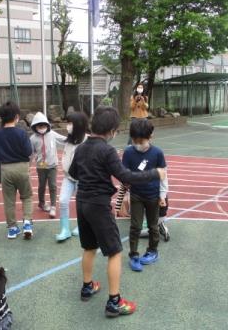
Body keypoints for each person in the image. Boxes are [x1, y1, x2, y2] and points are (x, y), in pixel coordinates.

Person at [68, 106, 165, 317]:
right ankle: (114, 302)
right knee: (114, 252)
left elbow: (73, 172)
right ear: (111, 130)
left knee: (89, 247)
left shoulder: (81, 148)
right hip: (98, 205)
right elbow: (127, 177)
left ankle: (87, 286)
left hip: (82, 202)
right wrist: (154, 173)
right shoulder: (107, 150)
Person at [121, 119, 168, 271]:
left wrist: (162, 195)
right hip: (136, 195)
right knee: (135, 226)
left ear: (150, 136)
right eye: (135, 141)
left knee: (153, 226)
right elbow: (125, 176)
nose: (138, 144)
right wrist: (125, 195)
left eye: (142, 141)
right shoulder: (128, 152)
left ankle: (152, 251)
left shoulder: (157, 153)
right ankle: (134, 255)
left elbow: (163, 175)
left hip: (153, 196)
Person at [0, 101, 34, 239]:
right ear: (17, 117)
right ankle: (27, 223)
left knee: (9, 201)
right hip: (22, 168)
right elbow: (28, 151)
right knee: (27, 196)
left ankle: (12, 228)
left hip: (5, 169)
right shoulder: (22, 133)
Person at [56, 111, 89, 241]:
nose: (68, 126)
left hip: (83, 179)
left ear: (79, 125)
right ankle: (65, 229)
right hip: (68, 177)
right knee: (63, 200)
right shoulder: (69, 140)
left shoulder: (88, 140)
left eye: (70, 123)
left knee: (82, 204)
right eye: (67, 123)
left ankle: (82, 226)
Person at [30, 112, 65, 218]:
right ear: (35, 127)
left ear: (47, 125)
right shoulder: (32, 139)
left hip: (52, 165)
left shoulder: (52, 134)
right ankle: (41, 203)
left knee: (53, 186)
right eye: (39, 126)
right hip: (41, 166)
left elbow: (64, 139)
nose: (42, 128)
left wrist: (75, 138)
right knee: (41, 186)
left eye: (43, 125)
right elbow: (31, 153)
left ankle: (53, 206)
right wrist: (28, 165)